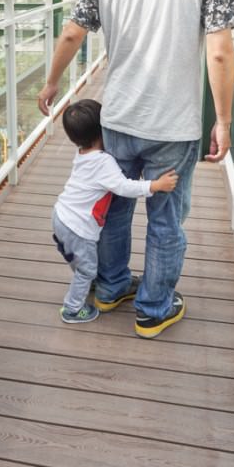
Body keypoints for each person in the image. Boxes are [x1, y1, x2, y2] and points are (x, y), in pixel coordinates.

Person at [38, 0, 234, 338]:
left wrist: (52, 82)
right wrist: (223, 120)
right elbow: (221, 51)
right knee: (165, 220)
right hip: (174, 125)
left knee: (115, 212)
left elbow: (74, 30)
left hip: (117, 117)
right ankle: (153, 309)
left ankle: (110, 288)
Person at [53, 99, 178, 323]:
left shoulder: (81, 154)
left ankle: (89, 282)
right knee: (86, 270)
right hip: (78, 228)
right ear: (104, 130)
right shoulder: (104, 162)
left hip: (61, 216)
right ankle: (72, 309)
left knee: (80, 262)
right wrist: (155, 186)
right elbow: (124, 187)